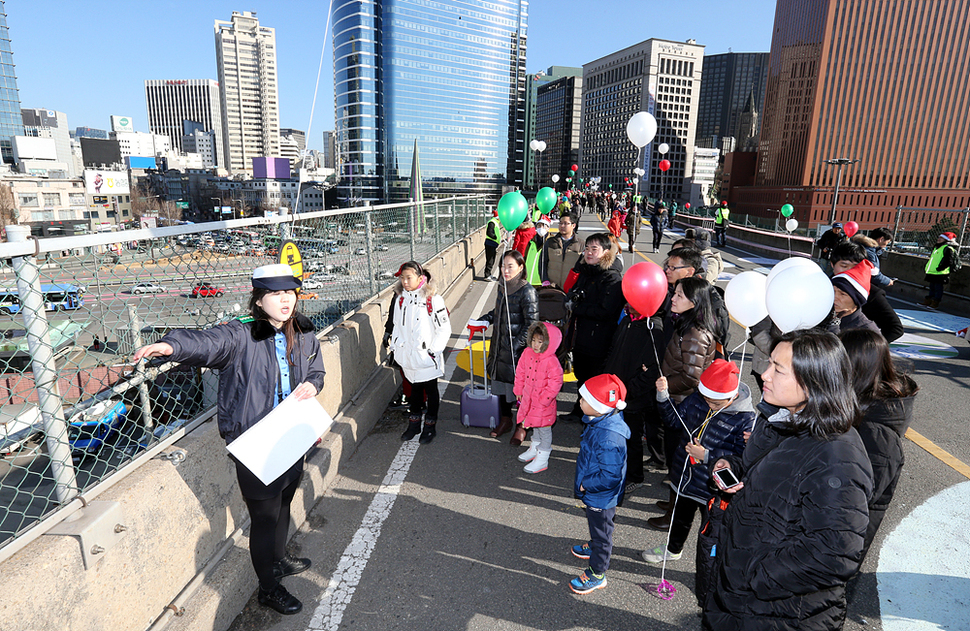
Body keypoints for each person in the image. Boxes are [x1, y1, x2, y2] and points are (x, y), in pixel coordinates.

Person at [132, 264, 326, 616]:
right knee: (264, 516)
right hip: (254, 441)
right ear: (258, 298)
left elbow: (316, 369)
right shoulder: (241, 335)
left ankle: (278, 560)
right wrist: (171, 345)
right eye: (275, 294)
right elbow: (207, 342)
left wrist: (314, 383)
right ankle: (268, 588)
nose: (285, 300)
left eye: (290, 293)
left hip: (292, 432)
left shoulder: (304, 331)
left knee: (285, 500)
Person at [702, 330, 873, 631]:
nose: (765, 375)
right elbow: (763, 470)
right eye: (769, 363)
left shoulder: (836, 454)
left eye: (778, 369)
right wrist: (729, 466)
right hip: (742, 598)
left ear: (813, 381)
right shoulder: (782, 420)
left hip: (777, 612)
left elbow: (834, 553)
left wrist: (753, 576)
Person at [642, 360, 754, 563]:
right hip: (685, 476)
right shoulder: (698, 399)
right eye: (707, 399)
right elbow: (674, 422)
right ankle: (672, 550)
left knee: (713, 529)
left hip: (712, 487)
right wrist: (663, 396)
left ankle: (712, 564)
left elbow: (742, 457)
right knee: (679, 519)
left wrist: (708, 456)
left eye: (716, 403)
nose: (710, 405)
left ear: (732, 396)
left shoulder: (746, 419)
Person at [839, 328, 918, 561]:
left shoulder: (878, 435)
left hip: (837, 545)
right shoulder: (854, 408)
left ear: (854, 368)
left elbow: (856, 499)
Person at [652, 276, 719, 529]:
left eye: (679, 295)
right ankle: (671, 504)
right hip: (680, 402)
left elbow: (692, 377)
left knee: (679, 461)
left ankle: (674, 517)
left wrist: (667, 387)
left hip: (683, 405)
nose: (673, 298)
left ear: (694, 301)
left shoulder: (694, 333)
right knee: (675, 458)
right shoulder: (686, 326)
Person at [568, 374, 630, 594]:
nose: (579, 402)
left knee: (602, 532)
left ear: (599, 406)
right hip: (598, 493)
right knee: (599, 526)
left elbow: (610, 476)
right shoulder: (602, 420)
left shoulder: (608, 437)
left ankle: (597, 573)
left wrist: (586, 484)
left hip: (599, 495)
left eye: (584, 400)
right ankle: (594, 546)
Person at [560, 233, 625, 422]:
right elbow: (572, 291)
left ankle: (596, 415)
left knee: (595, 376)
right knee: (581, 374)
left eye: (594, 249)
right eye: (587, 248)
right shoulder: (587, 272)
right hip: (581, 334)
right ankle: (580, 409)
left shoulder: (612, 278)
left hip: (600, 338)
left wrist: (578, 308)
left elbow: (606, 311)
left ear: (606, 252)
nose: (588, 252)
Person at [475, 250, 538, 442]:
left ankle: (523, 424)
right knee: (501, 383)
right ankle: (505, 419)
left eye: (510, 266)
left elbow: (532, 324)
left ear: (521, 267)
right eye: (503, 266)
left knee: (520, 388)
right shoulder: (502, 286)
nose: (505, 270)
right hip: (499, 346)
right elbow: (500, 311)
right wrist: (486, 319)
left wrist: (515, 344)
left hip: (516, 351)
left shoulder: (527, 291)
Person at [601, 302, 665, 492]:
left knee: (631, 437)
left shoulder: (654, 329)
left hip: (634, 397)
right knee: (613, 434)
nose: (628, 304)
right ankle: (615, 469)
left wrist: (629, 391)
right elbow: (612, 351)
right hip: (614, 390)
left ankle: (634, 476)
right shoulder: (627, 321)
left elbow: (653, 371)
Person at [388, 261, 452, 444]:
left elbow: (444, 329)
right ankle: (414, 424)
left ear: (420, 277)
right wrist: (396, 347)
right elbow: (397, 326)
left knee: (431, 390)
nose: (405, 282)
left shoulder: (433, 299)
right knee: (414, 389)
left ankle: (430, 427)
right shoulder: (401, 299)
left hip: (426, 357)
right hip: (407, 355)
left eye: (409, 277)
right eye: (402, 278)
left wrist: (432, 352)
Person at [513, 322, 564, 473]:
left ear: (549, 342)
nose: (535, 345)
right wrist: (518, 389)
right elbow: (520, 371)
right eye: (534, 340)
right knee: (534, 423)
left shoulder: (551, 360)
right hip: (529, 397)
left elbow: (556, 381)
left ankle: (543, 456)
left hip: (543, 403)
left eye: (540, 342)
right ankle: (534, 448)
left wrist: (544, 399)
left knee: (544, 429)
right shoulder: (527, 353)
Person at [830, 242, 904, 342]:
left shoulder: (873, 294)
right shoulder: (820, 286)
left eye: (855, 267)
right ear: (832, 264)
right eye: (844, 266)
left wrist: (869, 346)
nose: (849, 271)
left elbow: (895, 328)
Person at [831, 259, 882, 335]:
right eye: (833, 291)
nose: (835, 297)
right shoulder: (821, 315)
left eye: (843, 294)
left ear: (857, 301)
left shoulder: (867, 332)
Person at [541, 211, 585, 289]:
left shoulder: (581, 244)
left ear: (573, 225)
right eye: (560, 223)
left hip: (571, 288)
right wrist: (544, 280)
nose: (562, 226)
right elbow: (542, 262)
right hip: (552, 287)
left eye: (565, 223)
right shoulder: (550, 242)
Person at [922, 231, 958, 308]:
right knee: (932, 287)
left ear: (946, 240)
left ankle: (935, 302)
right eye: (939, 237)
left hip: (941, 272)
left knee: (938, 288)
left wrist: (940, 268)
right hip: (933, 271)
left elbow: (949, 261)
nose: (939, 239)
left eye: (941, 238)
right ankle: (929, 301)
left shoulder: (948, 248)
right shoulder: (937, 247)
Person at [483, 210, 503, 280]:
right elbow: (489, 233)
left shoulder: (495, 222)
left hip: (493, 244)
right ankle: (487, 275)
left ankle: (489, 274)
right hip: (490, 243)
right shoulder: (492, 222)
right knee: (490, 260)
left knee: (492, 259)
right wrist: (496, 238)